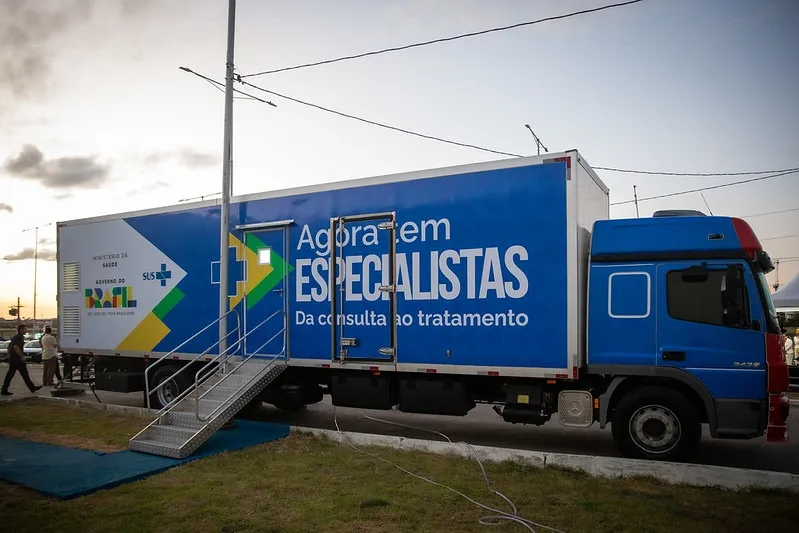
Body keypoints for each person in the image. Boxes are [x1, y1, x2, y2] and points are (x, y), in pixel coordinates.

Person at [2, 324, 41, 395]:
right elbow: (16, 347)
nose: (26, 330)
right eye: (25, 329)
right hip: (16, 359)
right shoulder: (19, 337)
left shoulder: (17, 337)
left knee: (23, 374)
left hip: (15, 359)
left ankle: (32, 388)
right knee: (11, 374)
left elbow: (11, 347)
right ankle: (4, 389)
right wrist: (22, 356)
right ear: (21, 329)